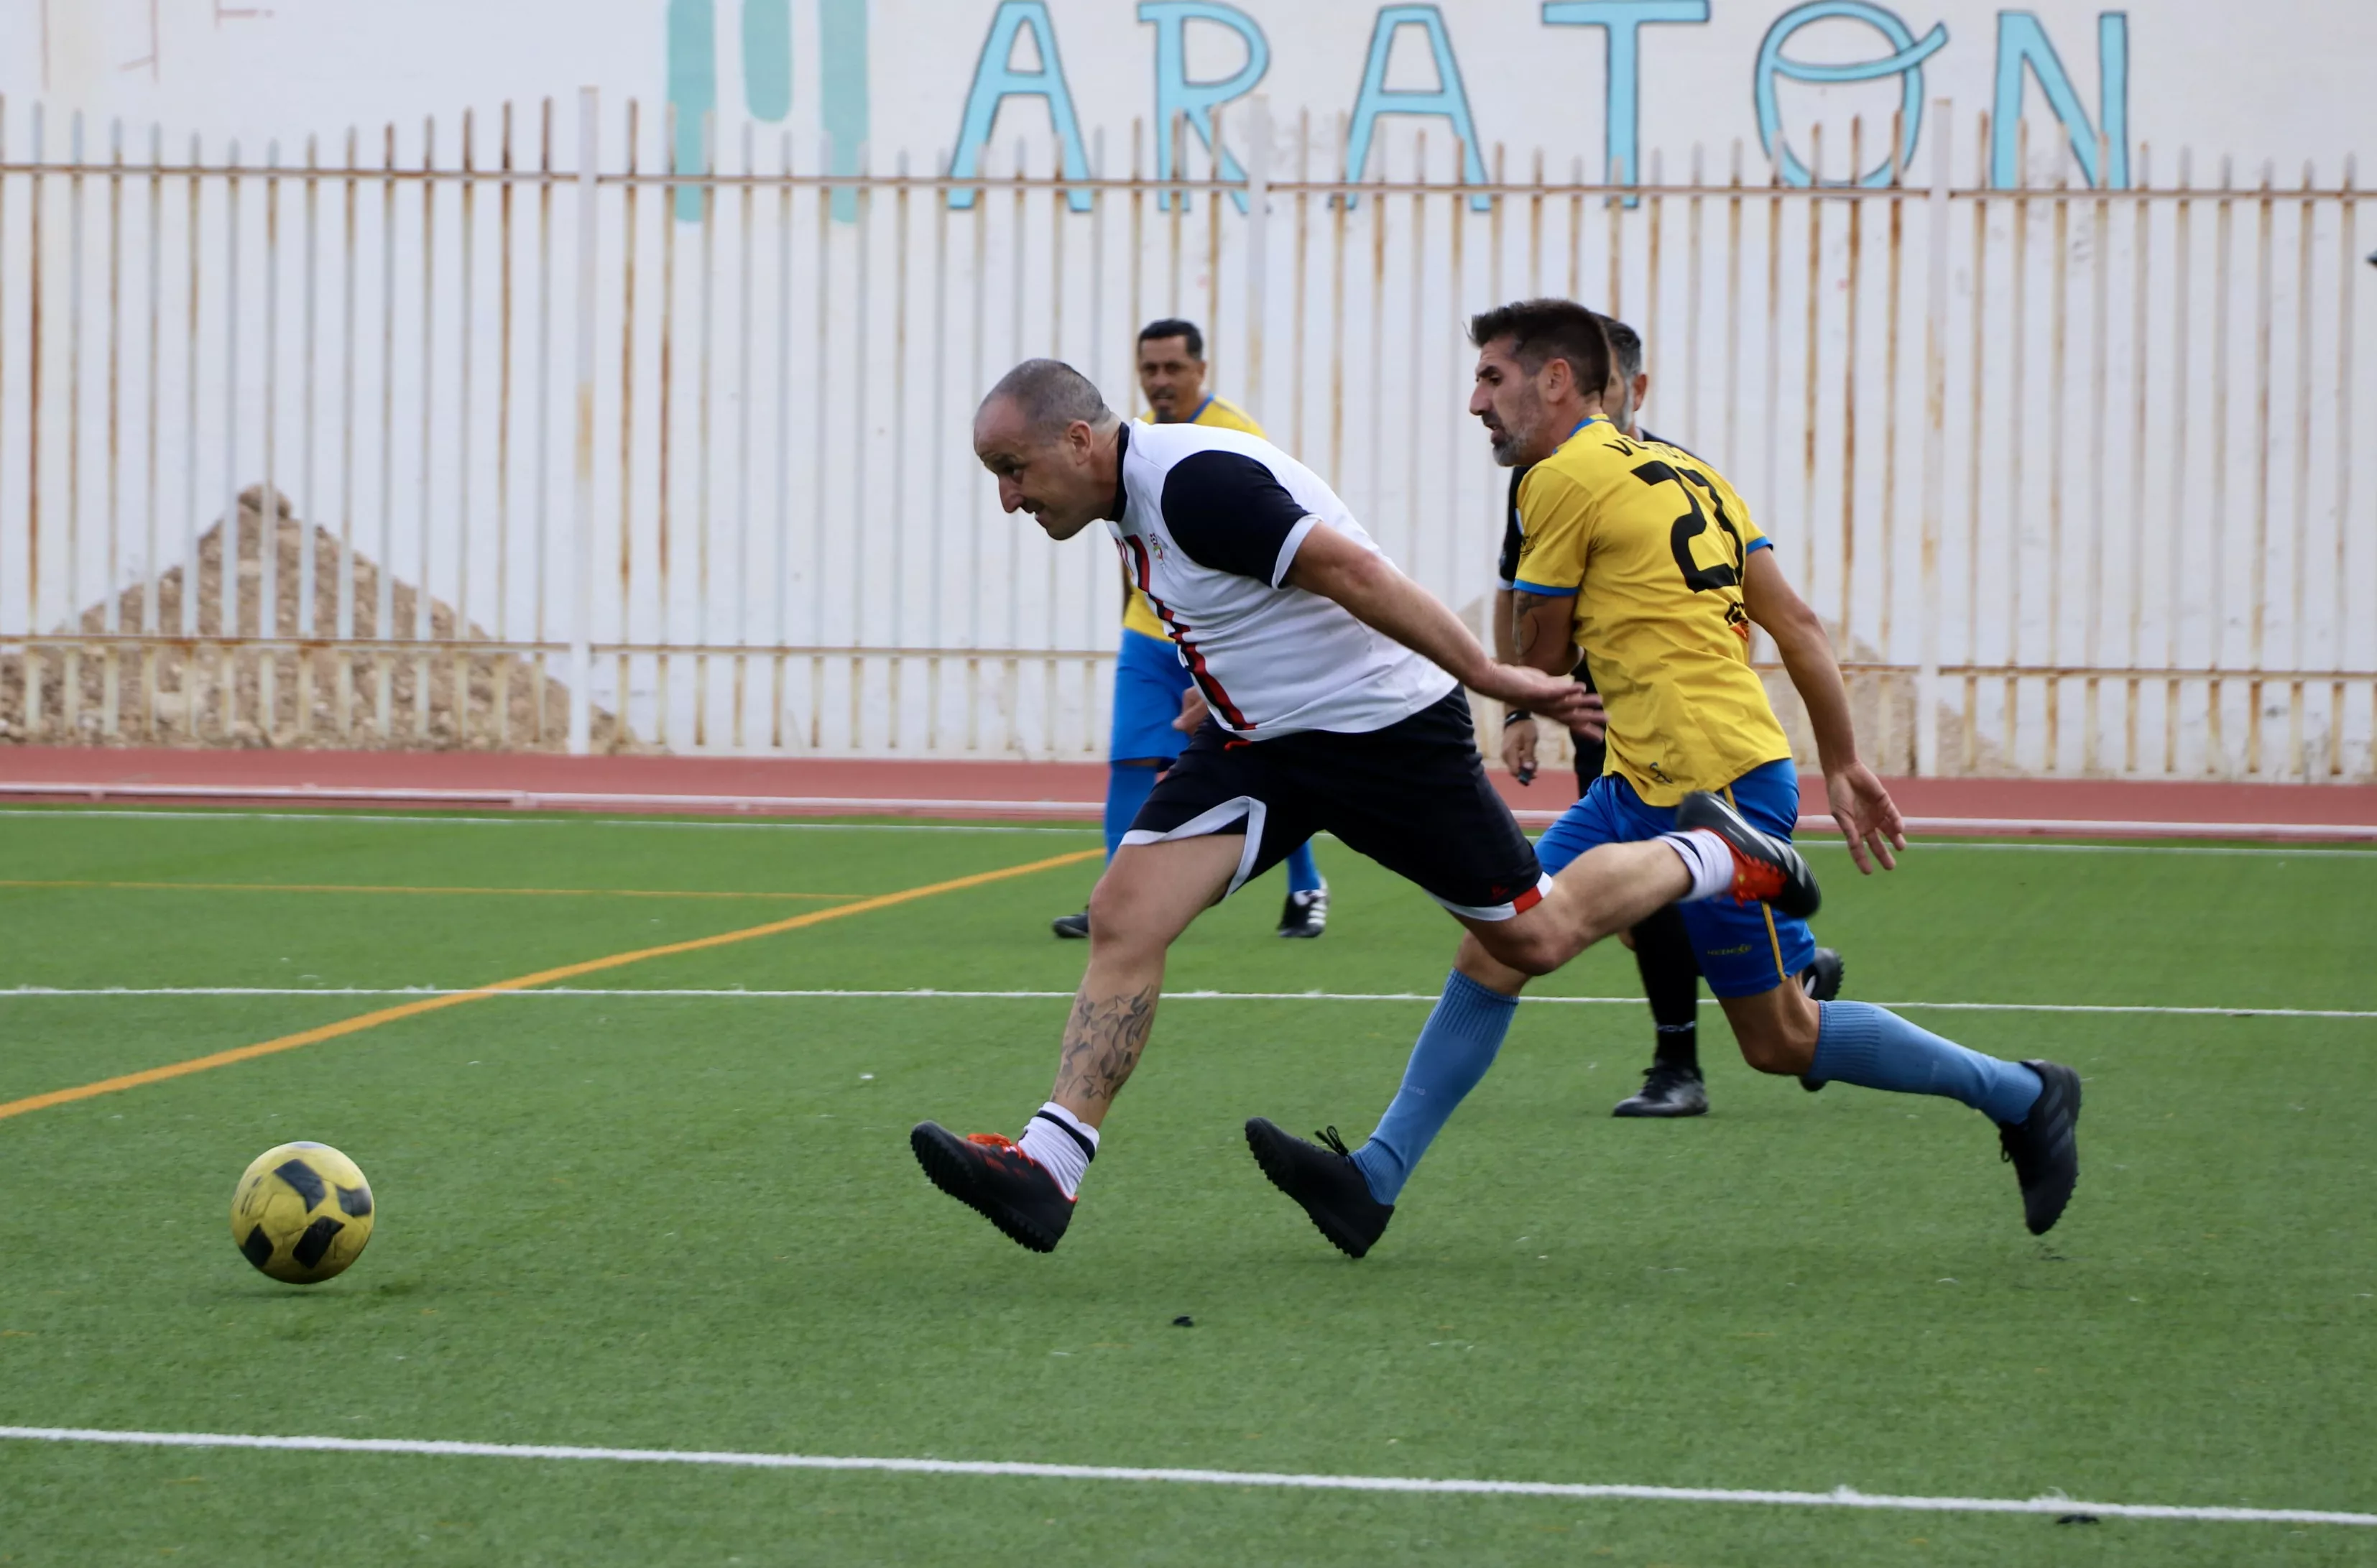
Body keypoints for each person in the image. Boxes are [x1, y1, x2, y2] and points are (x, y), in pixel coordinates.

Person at [913, 357, 1822, 1253]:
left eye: (1013, 472)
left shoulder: (1195, 483)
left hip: (1384, 736)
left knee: (1532, 940)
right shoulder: (1129, 498)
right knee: (1124, 911)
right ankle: (1050, 1165)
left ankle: (1717, 853)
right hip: (1264, 744)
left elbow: (1355, 573)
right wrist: (1213, 684)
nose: (1008, 499)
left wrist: (1489, 674)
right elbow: (1243, 605)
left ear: (1078, 440)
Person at [1245, 301, 2080, 1258]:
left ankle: (2014, 1083)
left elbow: (1547, 650)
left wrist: (1522, 682)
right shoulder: (1692, 470)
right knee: (1511, 953)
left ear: (1556, 381)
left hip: (1716, 786)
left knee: (1751, 1026)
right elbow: (1798, 623)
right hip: (1651, 776)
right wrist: (1844, 762)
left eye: (1492, 379)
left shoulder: (1554, 479)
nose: (1475, 401)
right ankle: (1373, 1181)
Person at [1495, 315, 1844, 1120]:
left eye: (1607, 389)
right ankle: (1775, 984)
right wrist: (1518, 700)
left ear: (1629, 390)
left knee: (1640, 896)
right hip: (1599, 719)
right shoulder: (1538, 474)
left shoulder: (1683, 473)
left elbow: (1760, 614)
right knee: (1596, 906)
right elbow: (1518, 597)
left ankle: (1680, 1061)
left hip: (1685, 735)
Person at [1051, 319, 1329, 943]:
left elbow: (1277, 539)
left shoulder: (1234, 434)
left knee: (1271, 764)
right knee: (1130, 759)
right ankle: (1112, 904)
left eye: (1173, 368)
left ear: (1201, 370)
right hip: (1150, 635)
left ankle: (1306, 888)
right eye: (1149, 369)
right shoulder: (1125, 440)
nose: (1160, 381)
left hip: (1225, 635)